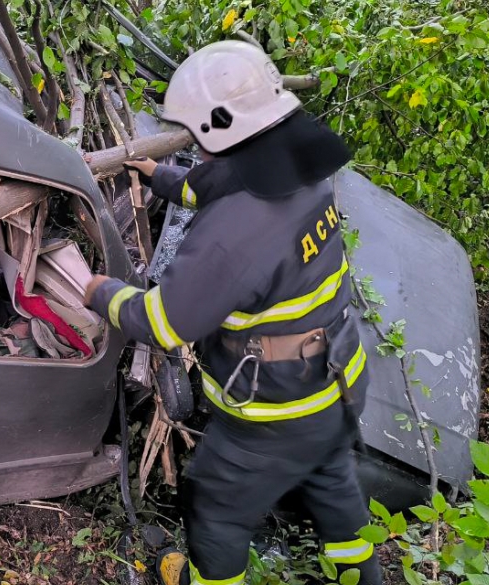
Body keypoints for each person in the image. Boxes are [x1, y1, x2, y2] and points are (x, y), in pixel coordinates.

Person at [81, 40, 382, 585]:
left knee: (217, 509)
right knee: (331, 481)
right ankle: (361, 574)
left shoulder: (236, 233)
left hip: (277, 412)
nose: (194, 140)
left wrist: (99, 290)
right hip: (337, 378)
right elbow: (215, 185)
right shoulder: (299, 166)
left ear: (218, 128)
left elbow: (164, 323)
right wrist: (157, 173)